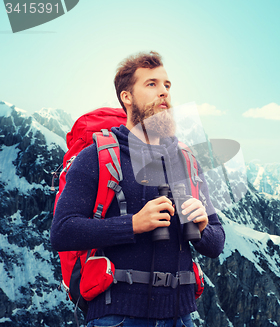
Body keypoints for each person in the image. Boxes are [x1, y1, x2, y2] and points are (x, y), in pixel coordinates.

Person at [51, 51, 225, 327]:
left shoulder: (186, 162)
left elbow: (216, 244)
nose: (164, 92)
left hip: (181, 317)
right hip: (117, 316)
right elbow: (62, 232)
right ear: (126, 97)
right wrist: (133, 224)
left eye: (167, 85)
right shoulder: (97, 157)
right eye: (152, 84)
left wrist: (203, 227)